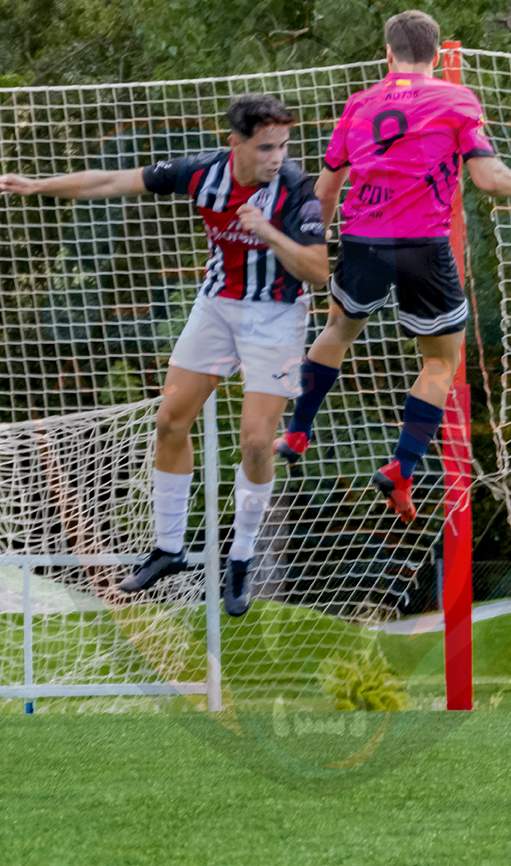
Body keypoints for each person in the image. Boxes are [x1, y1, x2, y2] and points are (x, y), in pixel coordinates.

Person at [0, 95, 329, 614]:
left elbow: (318, 271)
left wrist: (266, 230)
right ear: (236, 144)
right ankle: (168, 548)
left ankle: (241, 557)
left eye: (283, 146)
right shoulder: (202, 173)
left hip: (275, 315)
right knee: (170, 421)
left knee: (256, 443)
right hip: (216, 306)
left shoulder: (295, 188)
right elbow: (112, 181)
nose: (277, 157)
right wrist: (40, 185)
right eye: (266, 147)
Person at [275, 10, 511, 523]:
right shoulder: (456, 99)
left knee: (337, 330)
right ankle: (402, 466)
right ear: (437, 56)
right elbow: (488, 178)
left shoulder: (359, 104)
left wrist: (313, 246)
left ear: (388, 55)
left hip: (362, 241)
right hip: (423, 245)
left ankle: (297, 431)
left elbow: (325, 191)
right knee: (440, 362)